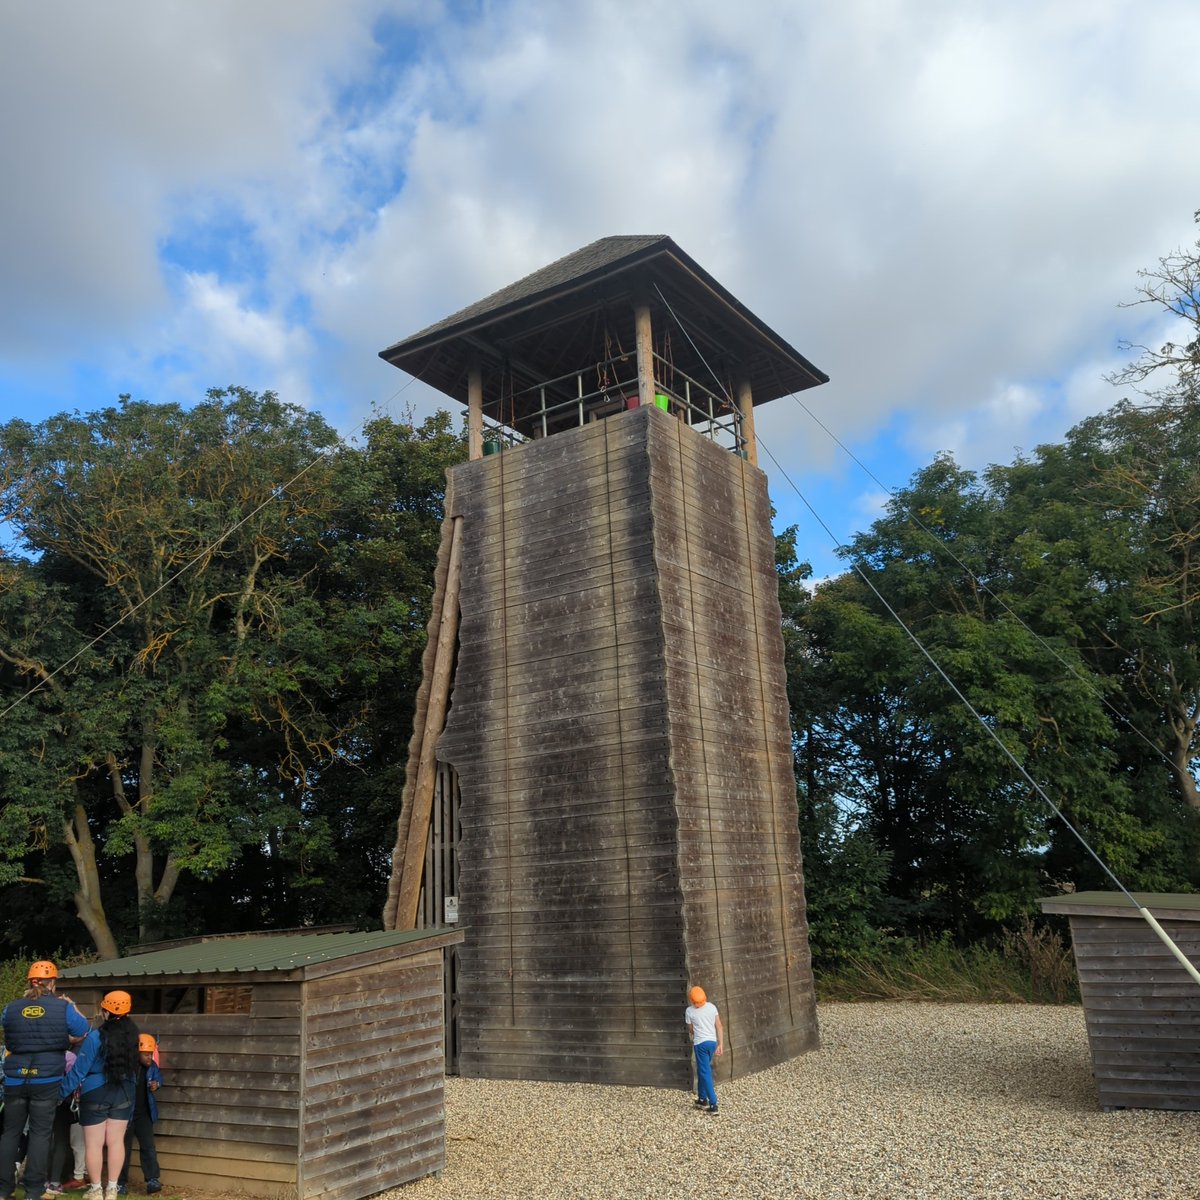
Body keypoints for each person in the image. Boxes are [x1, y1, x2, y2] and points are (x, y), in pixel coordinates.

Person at [0, 961, 90, 1200]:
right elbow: (83, 1030)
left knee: (10, 1133)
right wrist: (70, 1005)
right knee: (40, 1134)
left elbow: (7, 1027)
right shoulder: (62, 1008)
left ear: (29, 981)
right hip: (46, 1079)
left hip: (15, 1078)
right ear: (53, 982)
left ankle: (3, 1189)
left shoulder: (11, 1007)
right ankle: (33, 1191)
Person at [61, 992, 140, 1200]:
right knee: (116, 1142)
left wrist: (60, 1093)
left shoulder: (95, 1037)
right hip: (123, 1092)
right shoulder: (134, 1036)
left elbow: (79, 1070)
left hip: (95, 1093)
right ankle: (112, 1189)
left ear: (106, 1011)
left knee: (94, 1144)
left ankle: (96, 1189)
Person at [115, 1036, 162, 1196]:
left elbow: (158, 1079)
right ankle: (120, 1183)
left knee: (148, 1147)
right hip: (126, 1115)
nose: (150, 1057)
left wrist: (157, 1084)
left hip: (144, 1114)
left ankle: (152, 1180)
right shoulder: (127, 1068)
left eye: (151, 1053)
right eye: (146, 1054)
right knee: (123, 1149)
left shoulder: (153, 1067)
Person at [684, 984, 724, 1116]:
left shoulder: (689, 1011)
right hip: (712, 1043)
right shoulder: (712, 1007)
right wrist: (721, 1044)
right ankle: (702, 1099)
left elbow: (691, 1030)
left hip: (700, 1044)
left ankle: (713, 1104)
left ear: (692, 1000)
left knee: (705, 1072)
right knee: (703, 1069)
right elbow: (719, 1026)